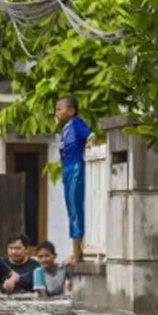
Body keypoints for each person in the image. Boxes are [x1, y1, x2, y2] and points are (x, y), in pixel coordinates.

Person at [56, 96, 94, 264]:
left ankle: (77, 254)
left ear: (71, 111)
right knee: (71, 210)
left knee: (76, 210)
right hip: (67, 169)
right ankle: (75, 251)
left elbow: (91, 135)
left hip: (75, 169)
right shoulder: (65, 129)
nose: (57, 112)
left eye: (60, 108)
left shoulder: (77, 123)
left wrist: (90, 143)